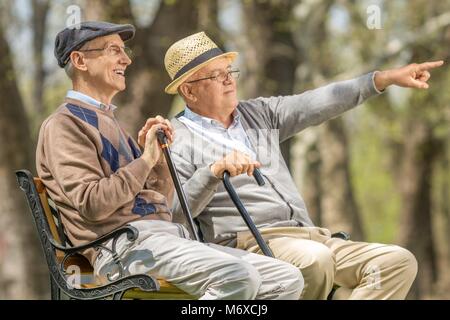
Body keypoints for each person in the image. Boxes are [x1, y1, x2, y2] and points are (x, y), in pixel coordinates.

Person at [157, 31, 444, 299]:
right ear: (189, 91)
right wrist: (212, 173)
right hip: (248, 246)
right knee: (314, 261)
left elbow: (318, 102)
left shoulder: (259, 114)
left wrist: (383, 79)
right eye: (216, 76)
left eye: (229, 71)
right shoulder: (175, 139)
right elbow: (175, 216)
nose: (229, 80)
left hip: (310, 236)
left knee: (396, 262)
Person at [35, 22, 304, 300]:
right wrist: (145, 159)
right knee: (237, 275)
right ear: (79, 60)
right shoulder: (64, 125)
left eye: (124, 50)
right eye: (113, 50)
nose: (126, 59)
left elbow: (160, 204)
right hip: (122, 249)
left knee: (286, 278)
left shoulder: (110, 121)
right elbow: (93, 203)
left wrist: (159, 160)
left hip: (164, 238)